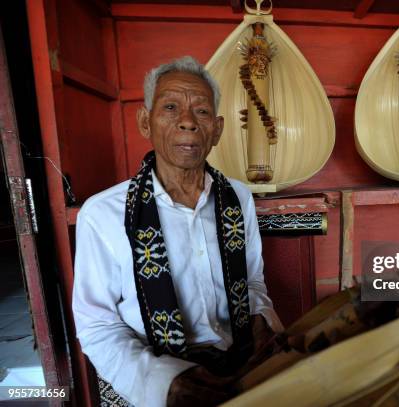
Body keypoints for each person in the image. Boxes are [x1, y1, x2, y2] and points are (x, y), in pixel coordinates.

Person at [72, 56, 283, 407]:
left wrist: (262, 318)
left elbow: (252, 281)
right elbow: (97, 325)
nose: (187, 122)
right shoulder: (103, 213)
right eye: (170, 107)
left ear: (216, 129)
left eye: (201, 112)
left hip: (241, 362)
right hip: (158, 374)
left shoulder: (237, 198)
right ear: (145, 121)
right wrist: (164, 383)